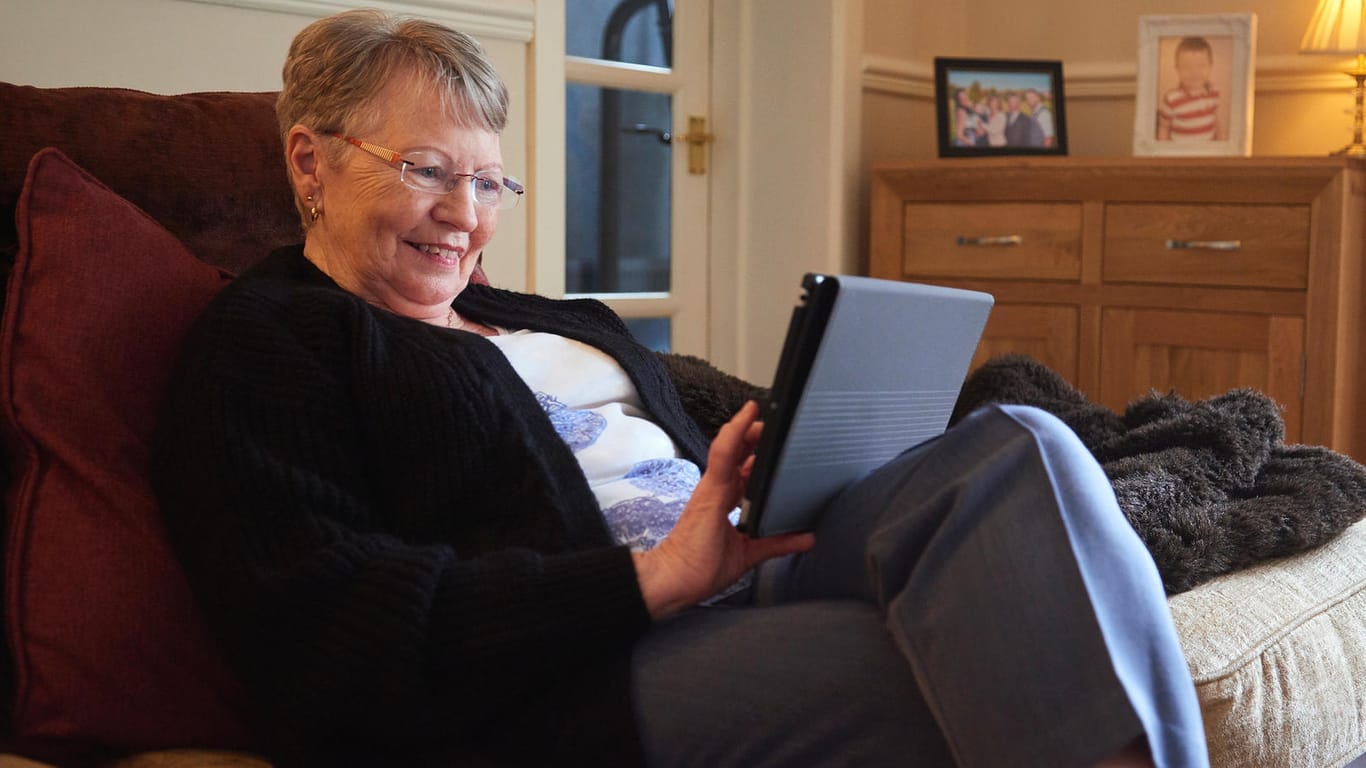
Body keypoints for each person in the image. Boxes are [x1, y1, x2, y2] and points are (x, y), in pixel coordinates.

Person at [151, 9, 1210, 767]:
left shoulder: (542, 316)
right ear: (310, 162)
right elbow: (337, 631)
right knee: (910, 668)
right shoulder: (266, 347)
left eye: (488, 181)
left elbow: (672, 433)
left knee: (1016, 442)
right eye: (427, 170)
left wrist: (766, 463)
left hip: (740, 560)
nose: (464, 214)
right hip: (575, 672)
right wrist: (653, 581)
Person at [1157, 36, 1222, 141]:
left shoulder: (1213, 92)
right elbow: (1164, 127)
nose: (1194, 72)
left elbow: (1216, 121)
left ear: (1210, 66)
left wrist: (1221, 144)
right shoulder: (1171, 99)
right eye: (1187, 67)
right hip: (1181, 154)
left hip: (1208, 153)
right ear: (1177, 69)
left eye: (1201, 66)